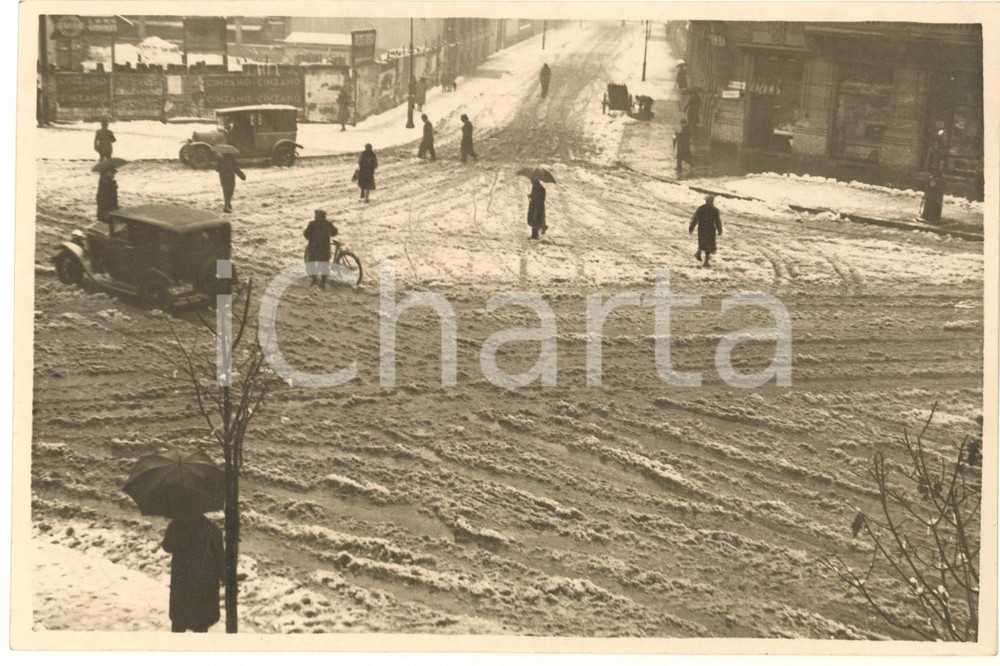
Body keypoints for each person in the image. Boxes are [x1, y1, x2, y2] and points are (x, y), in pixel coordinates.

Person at [162, 511, 225, 633]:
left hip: (182, 584)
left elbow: (166, 547)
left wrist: (173, 528)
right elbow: (220, 558)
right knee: (201, 625)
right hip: (204, 585)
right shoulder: (212, 529)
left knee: (178, 624)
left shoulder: (176, 526)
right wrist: (224, 577)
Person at [304, 209, 338, 288]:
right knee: (324, 264)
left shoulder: (312, 224)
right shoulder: (328, 224)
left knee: (311, 263)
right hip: (324, 248)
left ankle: (314, 279)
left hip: (313, 248)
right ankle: (323, 281)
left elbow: (306, 234)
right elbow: (334, 232)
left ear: (317, 216)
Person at [689, 194, 722, 268]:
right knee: (708, 244)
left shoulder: (701, 208)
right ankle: (705, 261)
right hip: (710, 228)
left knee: (703, 242)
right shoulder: (715, 210)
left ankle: (699, 255)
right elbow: (717, 221)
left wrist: (691, 227)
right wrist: (719, 230)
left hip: (703, 228)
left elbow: (695, 219)